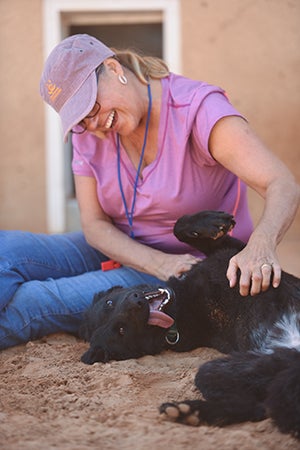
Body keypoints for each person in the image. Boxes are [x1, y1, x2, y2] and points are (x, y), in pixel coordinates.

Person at [0, 34, 299, 350]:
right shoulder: (89, 133)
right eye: (80, 118)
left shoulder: (197, 110)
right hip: (121, 247)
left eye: (92, 105)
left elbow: (281, 182)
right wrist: (153, 261)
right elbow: (94, 225)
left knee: (32, 301)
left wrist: (261, 245)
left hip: (186, 267)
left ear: (114, 68)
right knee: (6, 250)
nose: (95, 123)